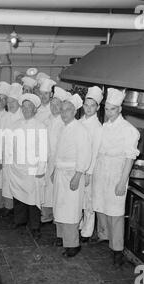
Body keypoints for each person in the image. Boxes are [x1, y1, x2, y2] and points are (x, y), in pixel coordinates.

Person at [92, 88, 140, 267]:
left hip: (116, 174)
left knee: (116, 214)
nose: (109, 112)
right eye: (107, 108)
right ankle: (106, 238)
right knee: (101, 208)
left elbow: (129, 158)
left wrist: (122, 182)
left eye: (113, 109)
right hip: (101, 172)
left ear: (120, 110)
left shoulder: (129, 130)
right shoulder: (105, 126)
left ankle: (117, 251)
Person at [53, 94, 91, 257]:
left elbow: (85, 154)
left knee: (70, 210)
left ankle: (73, 245)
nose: (64, 113)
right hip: (61, 172)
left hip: (72, 174)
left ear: (74, 111)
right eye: (62, 110)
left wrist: (77, 175)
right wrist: (55, 170)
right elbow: (59, 153)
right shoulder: (63, 126)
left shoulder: (80, 129)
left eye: (67, 110)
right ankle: (62, 237)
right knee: (60, 206)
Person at [9, 93, 47, 239]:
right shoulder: (15, 125)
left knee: (33, 198)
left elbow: (43, 150)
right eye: (23, 107)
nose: (25, 110)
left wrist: (41, 169)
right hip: (17, 167)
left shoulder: (40, 126)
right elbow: (10, 145)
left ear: (35, 110)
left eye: (29, 107)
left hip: (33, 168)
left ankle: (35, 226)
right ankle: (19, 221)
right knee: (18, 196)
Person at [41, 87, 70, 224]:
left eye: (57, 105)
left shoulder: (63, 123)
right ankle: (47, 214)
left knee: (55, 189)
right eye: (52, 104)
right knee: (47, 188)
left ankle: (54, 216)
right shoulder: (49, 119)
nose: (53, 107)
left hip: (57, 160)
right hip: (47, 159)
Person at [78, 86, 103, 243]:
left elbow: (95, 153)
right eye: (86, 105)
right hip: (77, 167)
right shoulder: (79, 122)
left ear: (98, 107)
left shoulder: (98, 128)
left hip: (88, 170)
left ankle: (87, 232)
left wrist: (89, 172)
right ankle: (80, 225)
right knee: (78, 199)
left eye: (92, 106)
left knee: (88, 201)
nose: (88, 108)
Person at [0, 83, 24, 215]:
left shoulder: (24, 116)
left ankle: (19, 211)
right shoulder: (4, 117)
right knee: (7, 182)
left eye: (13, 101)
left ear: (19, 102)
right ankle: (8, 208)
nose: (11, 104)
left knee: (19, 184)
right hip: (7, 156)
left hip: (20, 157)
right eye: (9, 102)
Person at [0, 81, 11, 211]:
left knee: (3, 179)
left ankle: (2, 205)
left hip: (5, 151)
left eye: (4, 99)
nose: (1, 101)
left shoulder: (9, 116)